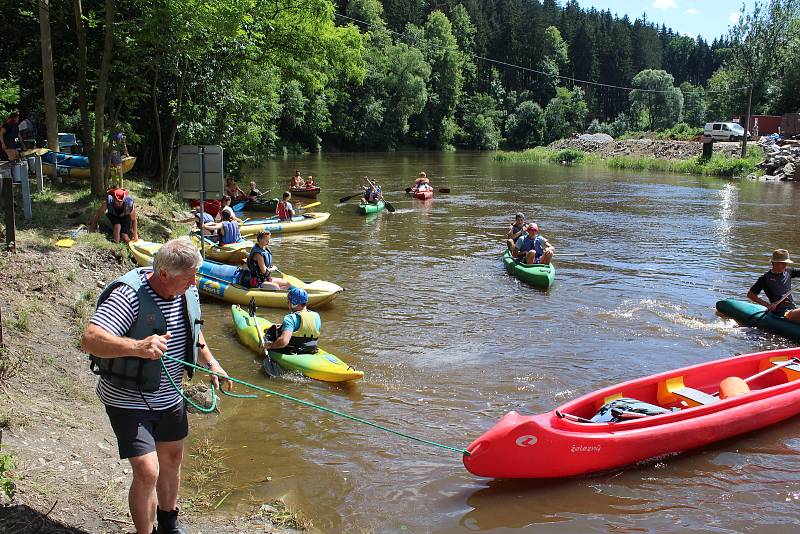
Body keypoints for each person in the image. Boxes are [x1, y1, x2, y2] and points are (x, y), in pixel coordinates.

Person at [80, 237, 231, 534]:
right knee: (148, 471)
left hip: (169, 395)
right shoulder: (129, 295)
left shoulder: (187, 290)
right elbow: (89, 340)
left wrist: (211, 363)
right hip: (128, 398)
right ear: (164, 274)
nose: (194, 283)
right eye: (189, 278)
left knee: (172, 458)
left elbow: (194, 331)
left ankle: (168, 523)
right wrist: (137, 346)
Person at [263, 287, 320, 355]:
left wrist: (270, 346)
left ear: (293, 303)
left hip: (292, 351)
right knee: (280, 328)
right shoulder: (316, 316)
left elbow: (284, 341)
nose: (287, 303)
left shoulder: (290, 318)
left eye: (289, 301)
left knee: (273, 329)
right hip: (310, 349)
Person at [747, 249, 800, 322]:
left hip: (793, 309)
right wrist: (768, 305)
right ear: (774, 262)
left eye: (786, 262)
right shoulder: (765, 278)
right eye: (782, 262)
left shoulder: (788, 271)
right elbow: (751, 295)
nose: (785, 265)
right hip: (782, 313)